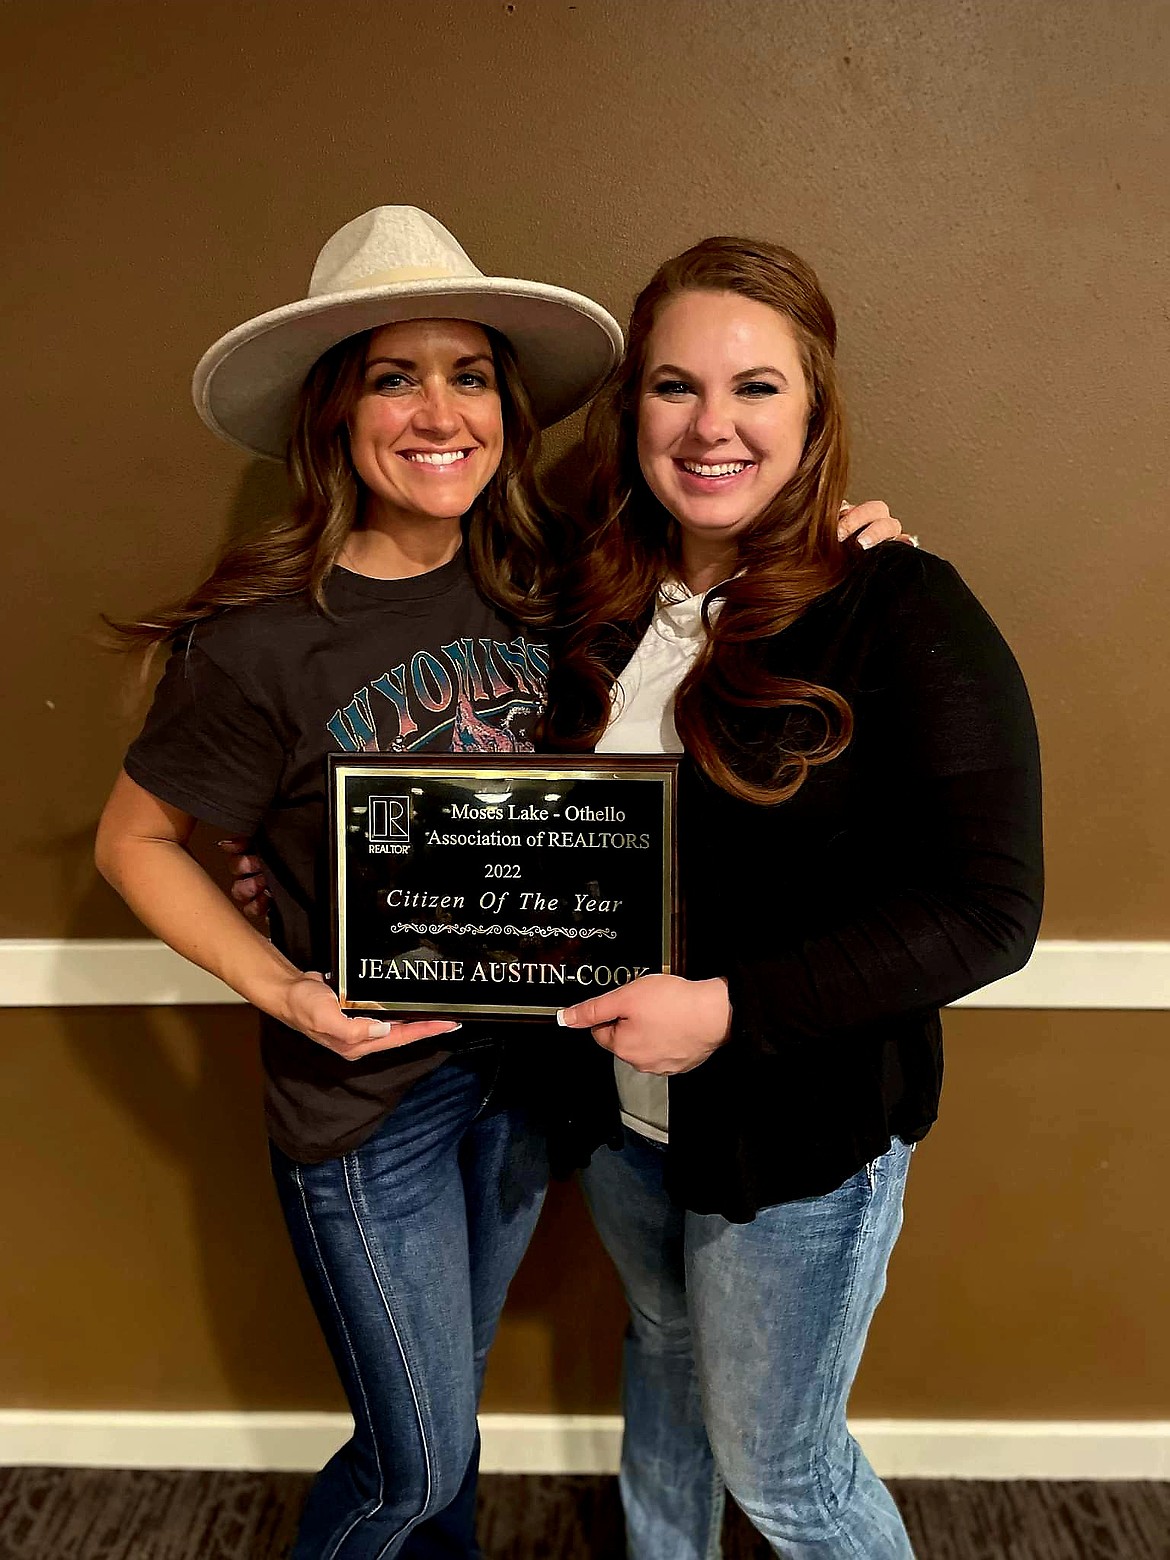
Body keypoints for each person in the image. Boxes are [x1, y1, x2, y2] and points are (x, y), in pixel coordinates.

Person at [93, 205, 628, 1560]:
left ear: (505, 409)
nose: (438, 413)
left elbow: (725, 578)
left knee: (449, 1423)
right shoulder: (263, 640)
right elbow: (133, 842)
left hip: (523, 1077)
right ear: (336, 414)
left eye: (469, 376)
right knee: (413, 1462)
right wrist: (284, 989)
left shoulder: (556, 586)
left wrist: (858, 540)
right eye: (396, 376)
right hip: (366, 1102)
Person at [551, 237, 1043, 1559]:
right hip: (618, 1118)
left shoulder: (899, 603)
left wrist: (725, 1012)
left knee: (783, 1474)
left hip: (795, 1133)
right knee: (661, 1350)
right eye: (675, 386)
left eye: (755, 387)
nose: (710, 425)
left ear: (814, 412)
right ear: (632, 409)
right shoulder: (589, 604)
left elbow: (989, 909)